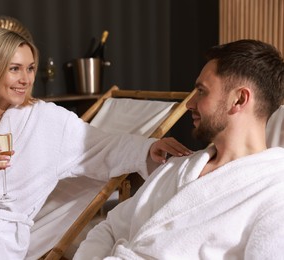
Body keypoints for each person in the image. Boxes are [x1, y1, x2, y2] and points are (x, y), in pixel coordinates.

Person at [0, 28, 191, 259]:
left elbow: (101, 147)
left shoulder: (47, 120)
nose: (25, 79)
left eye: (30, 68)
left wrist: (146, 148)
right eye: (15, 69)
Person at [74, 39, 284, 259]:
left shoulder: (274, 193)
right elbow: (108, 228)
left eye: (202, 91)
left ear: (239, 99)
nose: (189, 103)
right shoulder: (179, 166)